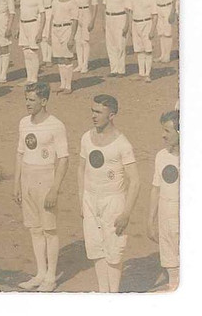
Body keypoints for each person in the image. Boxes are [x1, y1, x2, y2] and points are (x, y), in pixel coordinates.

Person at [78, 94, 139, 293]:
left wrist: (126, 213)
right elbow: (81, 169)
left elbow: (135, 181)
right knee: (96, 248)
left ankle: (114, 295)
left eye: (98, 112)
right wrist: (81, 200)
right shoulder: (86, 138)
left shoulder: (122, 144)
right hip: (90, 199)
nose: (93, 116)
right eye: (92, 111)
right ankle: (103, 292)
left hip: (113, 202)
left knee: (113, 251)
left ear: (111, 115)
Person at [14, 82, 69, 292]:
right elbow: (20, 153)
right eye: (26, 99)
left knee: (49, 230)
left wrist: (54, 189)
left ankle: (51, 277)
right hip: (27, 178)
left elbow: (64, 159)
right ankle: (40, 273)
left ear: (44, 101)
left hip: (45, 179)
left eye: (32, 100)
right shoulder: (23, 123)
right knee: (35, 229)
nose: (27, 104)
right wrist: (16, 183)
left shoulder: (56, 125)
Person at [147, 110, 180, 291]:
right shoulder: (161, 156)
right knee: (169, 259)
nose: (163, 135)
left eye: (167, 131)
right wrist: (151, 220)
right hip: (166, 216)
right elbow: (155, 188)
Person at [49, 0, 78, 94]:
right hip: (56, 29)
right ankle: (62, 84)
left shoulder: (72, 3)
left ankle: (68, 86)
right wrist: (50, 34)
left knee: (67, 57)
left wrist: (71, 37)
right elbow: (52, 17)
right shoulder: (55, 2)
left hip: (66, 29)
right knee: (59, 58)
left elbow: (75, 21)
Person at [102, 0, 133, 77]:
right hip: (109, 19)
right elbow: (104, 8)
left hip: (120, 18)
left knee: (120, 45)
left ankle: (121, 70)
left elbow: (129, 11)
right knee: (110, 45)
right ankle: (113, 69)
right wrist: (104, 23)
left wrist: (127, 25)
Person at [129, 0, 158, 82]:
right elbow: (131, 13)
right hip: (135, 24)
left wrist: (152, 30)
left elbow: (155, 15)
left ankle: (147, 74)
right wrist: (131, 28)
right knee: (139, 50)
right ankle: (141, 73)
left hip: (147, 24)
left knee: (148, 50)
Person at [152, 0, 178, 64]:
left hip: (168, 7)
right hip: (158, 8)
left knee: (167, 33)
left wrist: (173, 11)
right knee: (161, 33)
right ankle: (162, 55)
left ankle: (167, 56)